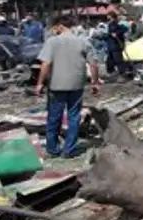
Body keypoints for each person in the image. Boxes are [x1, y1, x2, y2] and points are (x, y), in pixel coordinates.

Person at [35, 14, 100, 158]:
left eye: (54, 27)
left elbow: (45, 64)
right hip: (76, 85)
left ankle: (53, 149)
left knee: (54, 117)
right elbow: (94, 64)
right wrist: (95, 83)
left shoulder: (52, 42)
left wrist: (39, 83)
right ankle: (69, 150)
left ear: (60, 26)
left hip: (56, 85)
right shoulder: (83, 42)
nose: (53, 30)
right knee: (74, 117)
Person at [106, 11, 129, 76]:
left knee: (118, 60)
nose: (107, 17)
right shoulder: (110, 24)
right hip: (111, 46)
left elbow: (124, 29)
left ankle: (122, 73)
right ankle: (112, 72)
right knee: (110, 61)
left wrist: (116, 33)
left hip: (116, 45)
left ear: (111, 16)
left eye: (108, 15)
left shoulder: (114, 24)